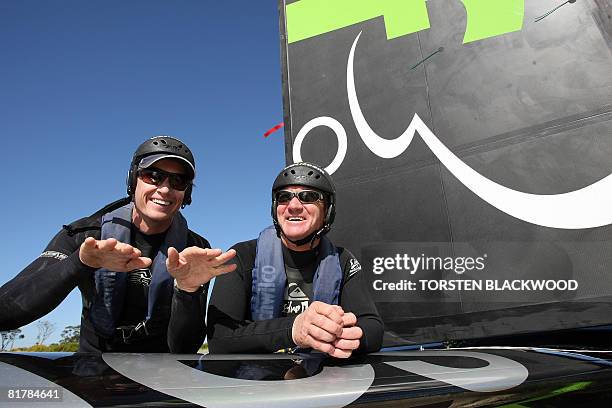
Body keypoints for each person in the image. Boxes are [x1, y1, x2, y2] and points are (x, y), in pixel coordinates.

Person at [0, 136, 235, 352]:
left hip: (163, 376)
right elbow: (6, 313)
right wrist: (79, 263)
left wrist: (188, 290)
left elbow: (185, 347)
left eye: (178, 180)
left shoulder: (194, 249)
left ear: (187, 193)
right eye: (153, 175)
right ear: (133, 179)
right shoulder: (85, 236)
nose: (164, 188)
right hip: (94, 367)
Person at [173, 162, 383, 357]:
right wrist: (294, 329)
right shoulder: (242, 256)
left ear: (327, 211)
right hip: (254, 387)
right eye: (284, 197)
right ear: (275, 208)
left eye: (308, 197)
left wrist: (347, 336)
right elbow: (220, 339)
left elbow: (372, 328)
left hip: (323, 383)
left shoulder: (342, 260)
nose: (293, 205)